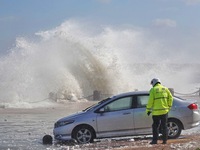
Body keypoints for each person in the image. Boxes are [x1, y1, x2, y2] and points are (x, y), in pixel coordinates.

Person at [146, 78, 173, 144]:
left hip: (156, 112)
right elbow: (171, 98)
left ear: (153, 83)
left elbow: (150, 101)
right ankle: (165, 141)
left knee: (155, 126)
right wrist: (169, 107)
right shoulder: (165, 89)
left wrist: (148, 110)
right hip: (164, 111)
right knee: (164, 126)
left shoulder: (153, 90)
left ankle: (155, 141)